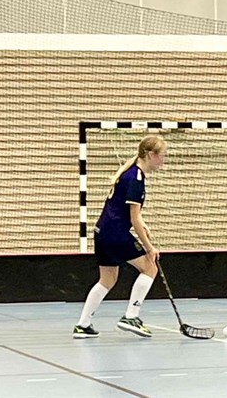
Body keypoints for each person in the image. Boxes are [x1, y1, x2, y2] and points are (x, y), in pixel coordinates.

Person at [73, 135, 166, 339]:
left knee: (107, 279)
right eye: (162, 156)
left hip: (102, 232)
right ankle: (131, 316)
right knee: (150, 267)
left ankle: (83, 325)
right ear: (151, 155)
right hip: (115, 234)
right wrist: (149, 247)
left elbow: (127, 211)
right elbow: (134, 218)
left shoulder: (130, 174)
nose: (163, 160)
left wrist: (142, 223)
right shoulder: (136, 178)